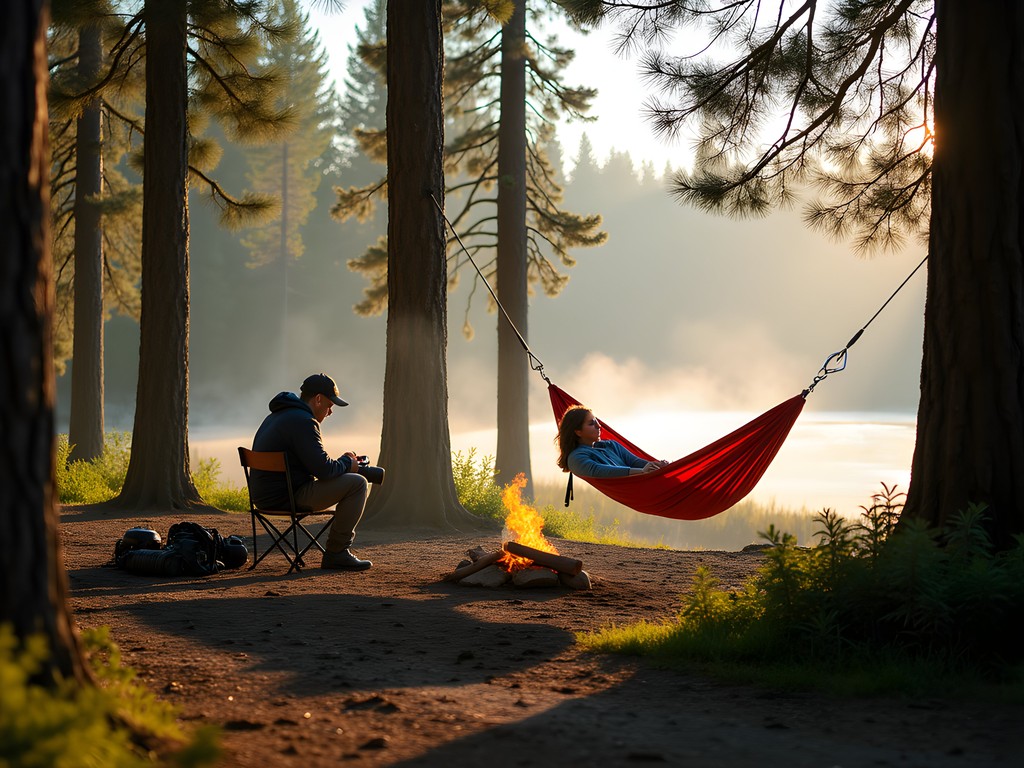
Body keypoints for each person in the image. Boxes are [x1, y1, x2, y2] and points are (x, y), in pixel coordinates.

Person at [250, 373, 372, 571]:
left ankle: (337, 552)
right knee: (357, 483)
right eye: (330, 405)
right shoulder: (304, 421)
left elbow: (316, 464)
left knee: (350, 478)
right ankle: (337, 553)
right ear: (318, 399)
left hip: (262, 497)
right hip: (288, 497)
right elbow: (324, 470)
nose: (330, 412)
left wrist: (340, 464)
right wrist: (348, 462)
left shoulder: (276, 416)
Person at [556, 405, 668, 478]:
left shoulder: (611, 445)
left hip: (645, 483)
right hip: (632, 489)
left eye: (597, 422)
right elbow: (600, 471)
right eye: (591, 424)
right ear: (578, 432)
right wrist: (642, 471)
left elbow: (634, 461)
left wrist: (657, 466)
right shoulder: (576, 458)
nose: (599, 426)